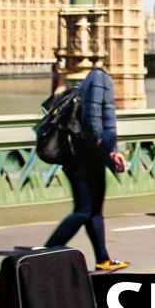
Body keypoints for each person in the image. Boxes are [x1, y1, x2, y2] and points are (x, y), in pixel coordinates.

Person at [43, 65, 130, 272]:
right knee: (84, 211)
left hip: (79, 158)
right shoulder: (100, 79)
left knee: (93, 211)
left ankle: (103, 259)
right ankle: (46, 253)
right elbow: (95, 122)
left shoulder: (86, 84)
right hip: (87, 159)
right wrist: (110, 150)